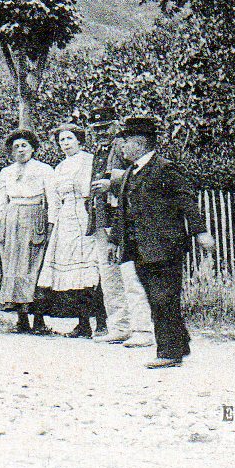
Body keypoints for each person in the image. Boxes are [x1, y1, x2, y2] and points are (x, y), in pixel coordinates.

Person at [113, 115, 215, 369]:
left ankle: (169, 353)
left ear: (140, 143)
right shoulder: (130, 172)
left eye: (125, 143)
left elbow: (186, 200)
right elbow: (123, 212)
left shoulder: (164, 168)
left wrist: (200, 232)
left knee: (163, 298)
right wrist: (116, 241)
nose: (122, 148)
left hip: (165, 246)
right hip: (139, 248)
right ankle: (178, 342)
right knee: (157, 297)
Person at [90, 118, 155, 348]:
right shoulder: (99, 150)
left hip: (123, 219)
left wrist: (112, 183)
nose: (100, 133)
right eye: (96, 129)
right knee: (109, 277)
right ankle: (119, 326)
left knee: (130, 274)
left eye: (104, 128)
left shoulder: (126, 147)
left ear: (114, 126)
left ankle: (143, 328)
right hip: (102, 219)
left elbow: (136, 175)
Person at [36, 122, 106, 338]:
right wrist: (54, 224)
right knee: (74, 273)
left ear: (79, 140)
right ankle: (82, 323)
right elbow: (55, 200)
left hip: (86, 214)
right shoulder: (59, 167)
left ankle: (102, 323)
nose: (65, 144)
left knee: (92, 270)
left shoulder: (90, 161)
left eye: (69, 139)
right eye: (61, 140)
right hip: (66, 220)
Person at [0, 129, 54, 334]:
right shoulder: (6, 173)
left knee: (35, 267)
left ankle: (39, 319)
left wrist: (51, 226)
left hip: (35, 218)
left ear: (33, 148)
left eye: (24, 145)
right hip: (11, 220)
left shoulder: (44, 170)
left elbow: (53, 201)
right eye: (16, 147)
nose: (21, 149)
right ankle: (21, 318)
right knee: (12, 268)